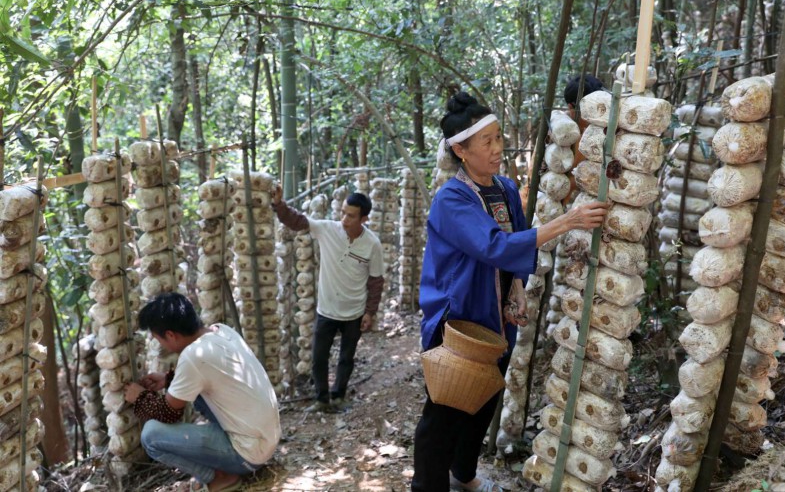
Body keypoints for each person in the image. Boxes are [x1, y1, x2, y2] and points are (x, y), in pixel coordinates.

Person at [411, 92, 608, 492]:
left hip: (496, 315)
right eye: (487, 142)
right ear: (461, 151)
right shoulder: (452, 198)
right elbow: (493, 246)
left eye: (498, 137)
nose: (498, 148)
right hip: (461, 319)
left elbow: (513, 243)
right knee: (444, 413)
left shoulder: (501, 188)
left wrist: (517, 285)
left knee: (482, 401)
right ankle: (428, 486)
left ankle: (463, 475)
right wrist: (567, 221)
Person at [124, 293, 281, 492]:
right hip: (265, 440)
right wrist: (167, 379)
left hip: (249, 455)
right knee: (194, 393)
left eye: (158, 339)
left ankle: (219, 478)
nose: (161, 345)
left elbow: (168, 413)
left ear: (171, 335)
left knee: (151, 437)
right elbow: (209, 374)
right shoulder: (221, 331)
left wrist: (139, 397)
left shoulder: (193, 357)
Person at [271, 187, 384, 413]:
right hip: (327, 309)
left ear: (364, 218)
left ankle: (339, 396)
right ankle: (322, 399)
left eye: (351, 216)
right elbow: (297, 221)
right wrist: (278, 204)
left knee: (346, 358)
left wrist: (370, 312)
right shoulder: (328, 230)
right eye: (343, 213)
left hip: (354, 310)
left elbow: (375, 281)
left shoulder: (372, 244)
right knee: (318, 357)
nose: (344, 219)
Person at [562, 74, 607, 203]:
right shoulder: (562, 135)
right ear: (571, 108)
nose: (596, 116)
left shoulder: (598, 131)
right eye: (590, 111)